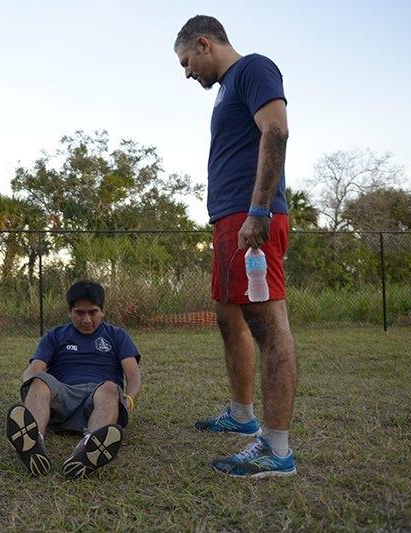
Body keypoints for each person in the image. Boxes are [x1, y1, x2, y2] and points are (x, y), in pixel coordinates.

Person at [174, 15, 298, 478]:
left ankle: (276, 449)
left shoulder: (253, 69)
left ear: (204, 44)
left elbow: (277, 131)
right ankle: (242, 415)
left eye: (187, 62)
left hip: (253, 218)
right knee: (230, 317)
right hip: (229, 220)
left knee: (269, 325)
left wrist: (259, 210)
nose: (188, 73)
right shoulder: (228, 88)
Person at [5, 280, 142, 479]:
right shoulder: (55, 336)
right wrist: (32, 389)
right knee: (40, 381)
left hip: (100, 398)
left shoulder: (117, 336)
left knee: (111, 388)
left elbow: (133, 375)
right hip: (63, 397)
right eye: (79, 313)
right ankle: (34, 442)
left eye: (93, 312)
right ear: (70, 312)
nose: (86, 319)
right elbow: (34, 368)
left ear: (102, 311)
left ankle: (87, 447)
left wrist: (128, 400)